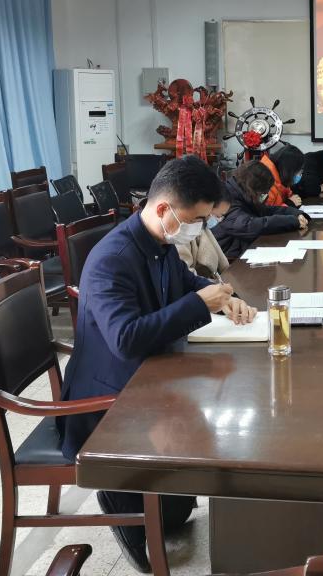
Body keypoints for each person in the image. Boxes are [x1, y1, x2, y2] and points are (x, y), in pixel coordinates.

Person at [57, 156, 256, 572]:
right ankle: (120, 495)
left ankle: (164, 497)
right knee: (214, 417)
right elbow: (126, 340)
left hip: (149, 375)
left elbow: (187, 283)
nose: (199, 229)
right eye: (196, 220)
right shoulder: (112, 258)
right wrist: (198, 304)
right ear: (164, 209)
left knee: (224, 396)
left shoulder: (160, 244)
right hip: (108, 399)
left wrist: (224, 298)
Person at [213, 160, 308, 259]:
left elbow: (265, 211)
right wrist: (291, 221)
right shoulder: (227, 199)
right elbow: (248, 226)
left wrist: (296, 214)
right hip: (229, 257)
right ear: (254, 188)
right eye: (263, 192)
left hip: (242, 249)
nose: (264, 196)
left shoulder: (242, 193)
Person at [176, 190, 230, 280]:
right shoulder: (181, 232)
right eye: (218, 216)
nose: (219, 219)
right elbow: (185, 274)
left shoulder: (203, 227)